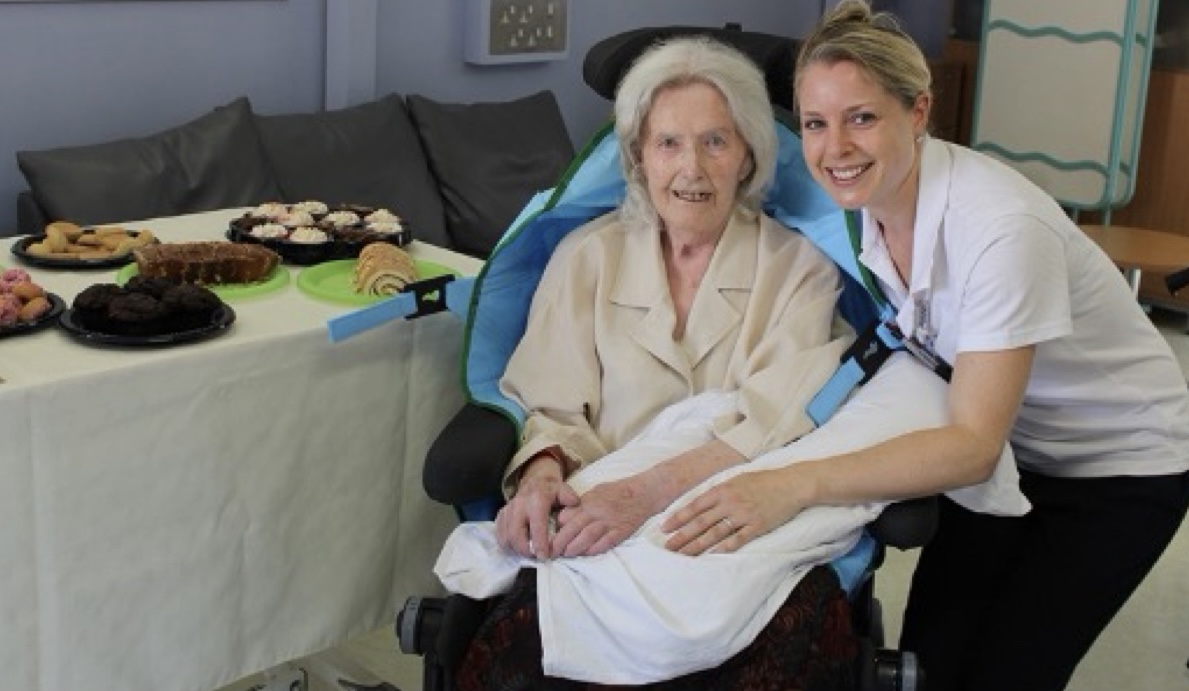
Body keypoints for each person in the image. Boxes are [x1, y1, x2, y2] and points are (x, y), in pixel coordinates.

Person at [662, 2, 1189, 689]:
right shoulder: (870, 209)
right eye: (815, 123)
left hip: (1118, 465)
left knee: (1007, 672)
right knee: (929, 659)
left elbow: (970, 444)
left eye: (861, 118)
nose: (834, 148)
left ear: (917, 112)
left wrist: (789, 484)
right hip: (1013, 443)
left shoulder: (999, 230)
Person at [455, 35, 861, 689]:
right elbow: (551, 406)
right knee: (519, 659)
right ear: (638, 158)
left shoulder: (799, 271)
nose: (690, 168)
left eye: (715, 141)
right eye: (668, 143)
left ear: (748, 155)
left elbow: (771, 428)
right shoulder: (587, 256)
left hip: (734, 522)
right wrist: (541, 476)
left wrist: (643, 495)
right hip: (596, 520)